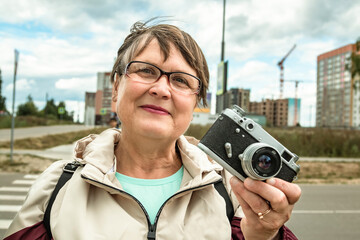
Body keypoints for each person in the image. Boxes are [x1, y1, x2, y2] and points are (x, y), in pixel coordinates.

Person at [4, 19, 301, 240]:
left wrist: (265, 236)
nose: (161, 89)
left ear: (196, 102)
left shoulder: (232, 193)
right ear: (116, 87)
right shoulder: (58, 185)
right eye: (146, 70)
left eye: (181, 80)